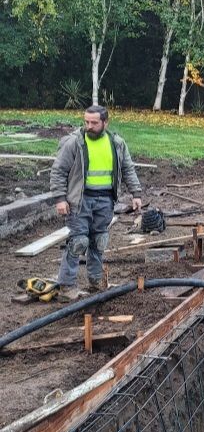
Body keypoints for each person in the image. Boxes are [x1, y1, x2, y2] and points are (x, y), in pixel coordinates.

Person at [50, 106, 143, 301]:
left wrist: (136, 193)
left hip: (105, 200)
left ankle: (96, 280)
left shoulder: (116, 143)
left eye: (94, 123)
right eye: (86, 122)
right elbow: (58, 171)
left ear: (105, 123)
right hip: (79, 201)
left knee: (99, 241)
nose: (89, 126)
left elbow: (128, 169)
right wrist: (60, 198)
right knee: (78, 242)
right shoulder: (74, 143)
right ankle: (67, 286)